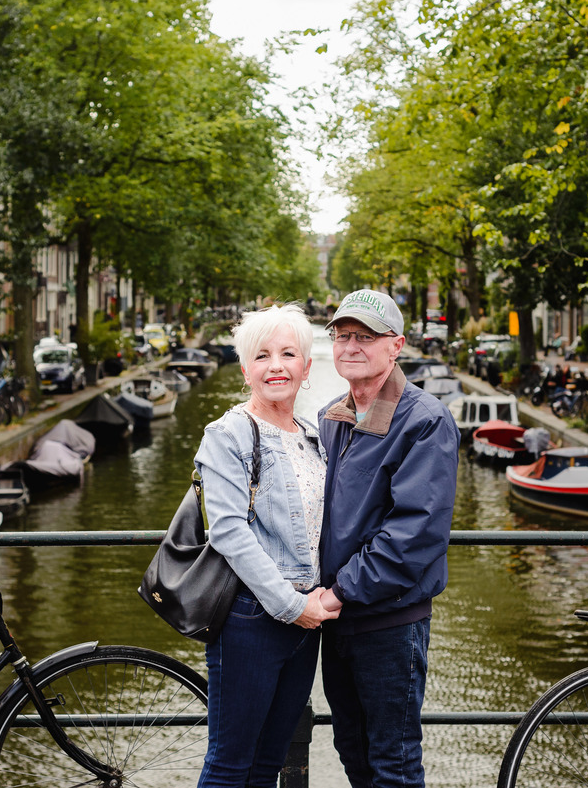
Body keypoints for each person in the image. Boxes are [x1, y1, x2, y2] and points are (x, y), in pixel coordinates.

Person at [316, 289, 460, 788]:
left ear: (396, 346)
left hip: (388, 623)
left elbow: (412, 536)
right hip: (337, 621)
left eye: (366, 337)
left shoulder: (425, 421)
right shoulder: (333, 417)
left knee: (393, 765)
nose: (351, 346)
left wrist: (337, 591)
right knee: (352, 752)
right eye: (342, 335)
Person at [195, 303, 339, 788]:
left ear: (306, 366)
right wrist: (288, 604)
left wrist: (315, 602)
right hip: (252, 618)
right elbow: (228, 532)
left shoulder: (317, 436)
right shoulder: (228, 434)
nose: (275, 365)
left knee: (270, 762)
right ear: (245, 369)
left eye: (287, 354)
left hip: (307, 621)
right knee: (229, 764)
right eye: (262, 356)